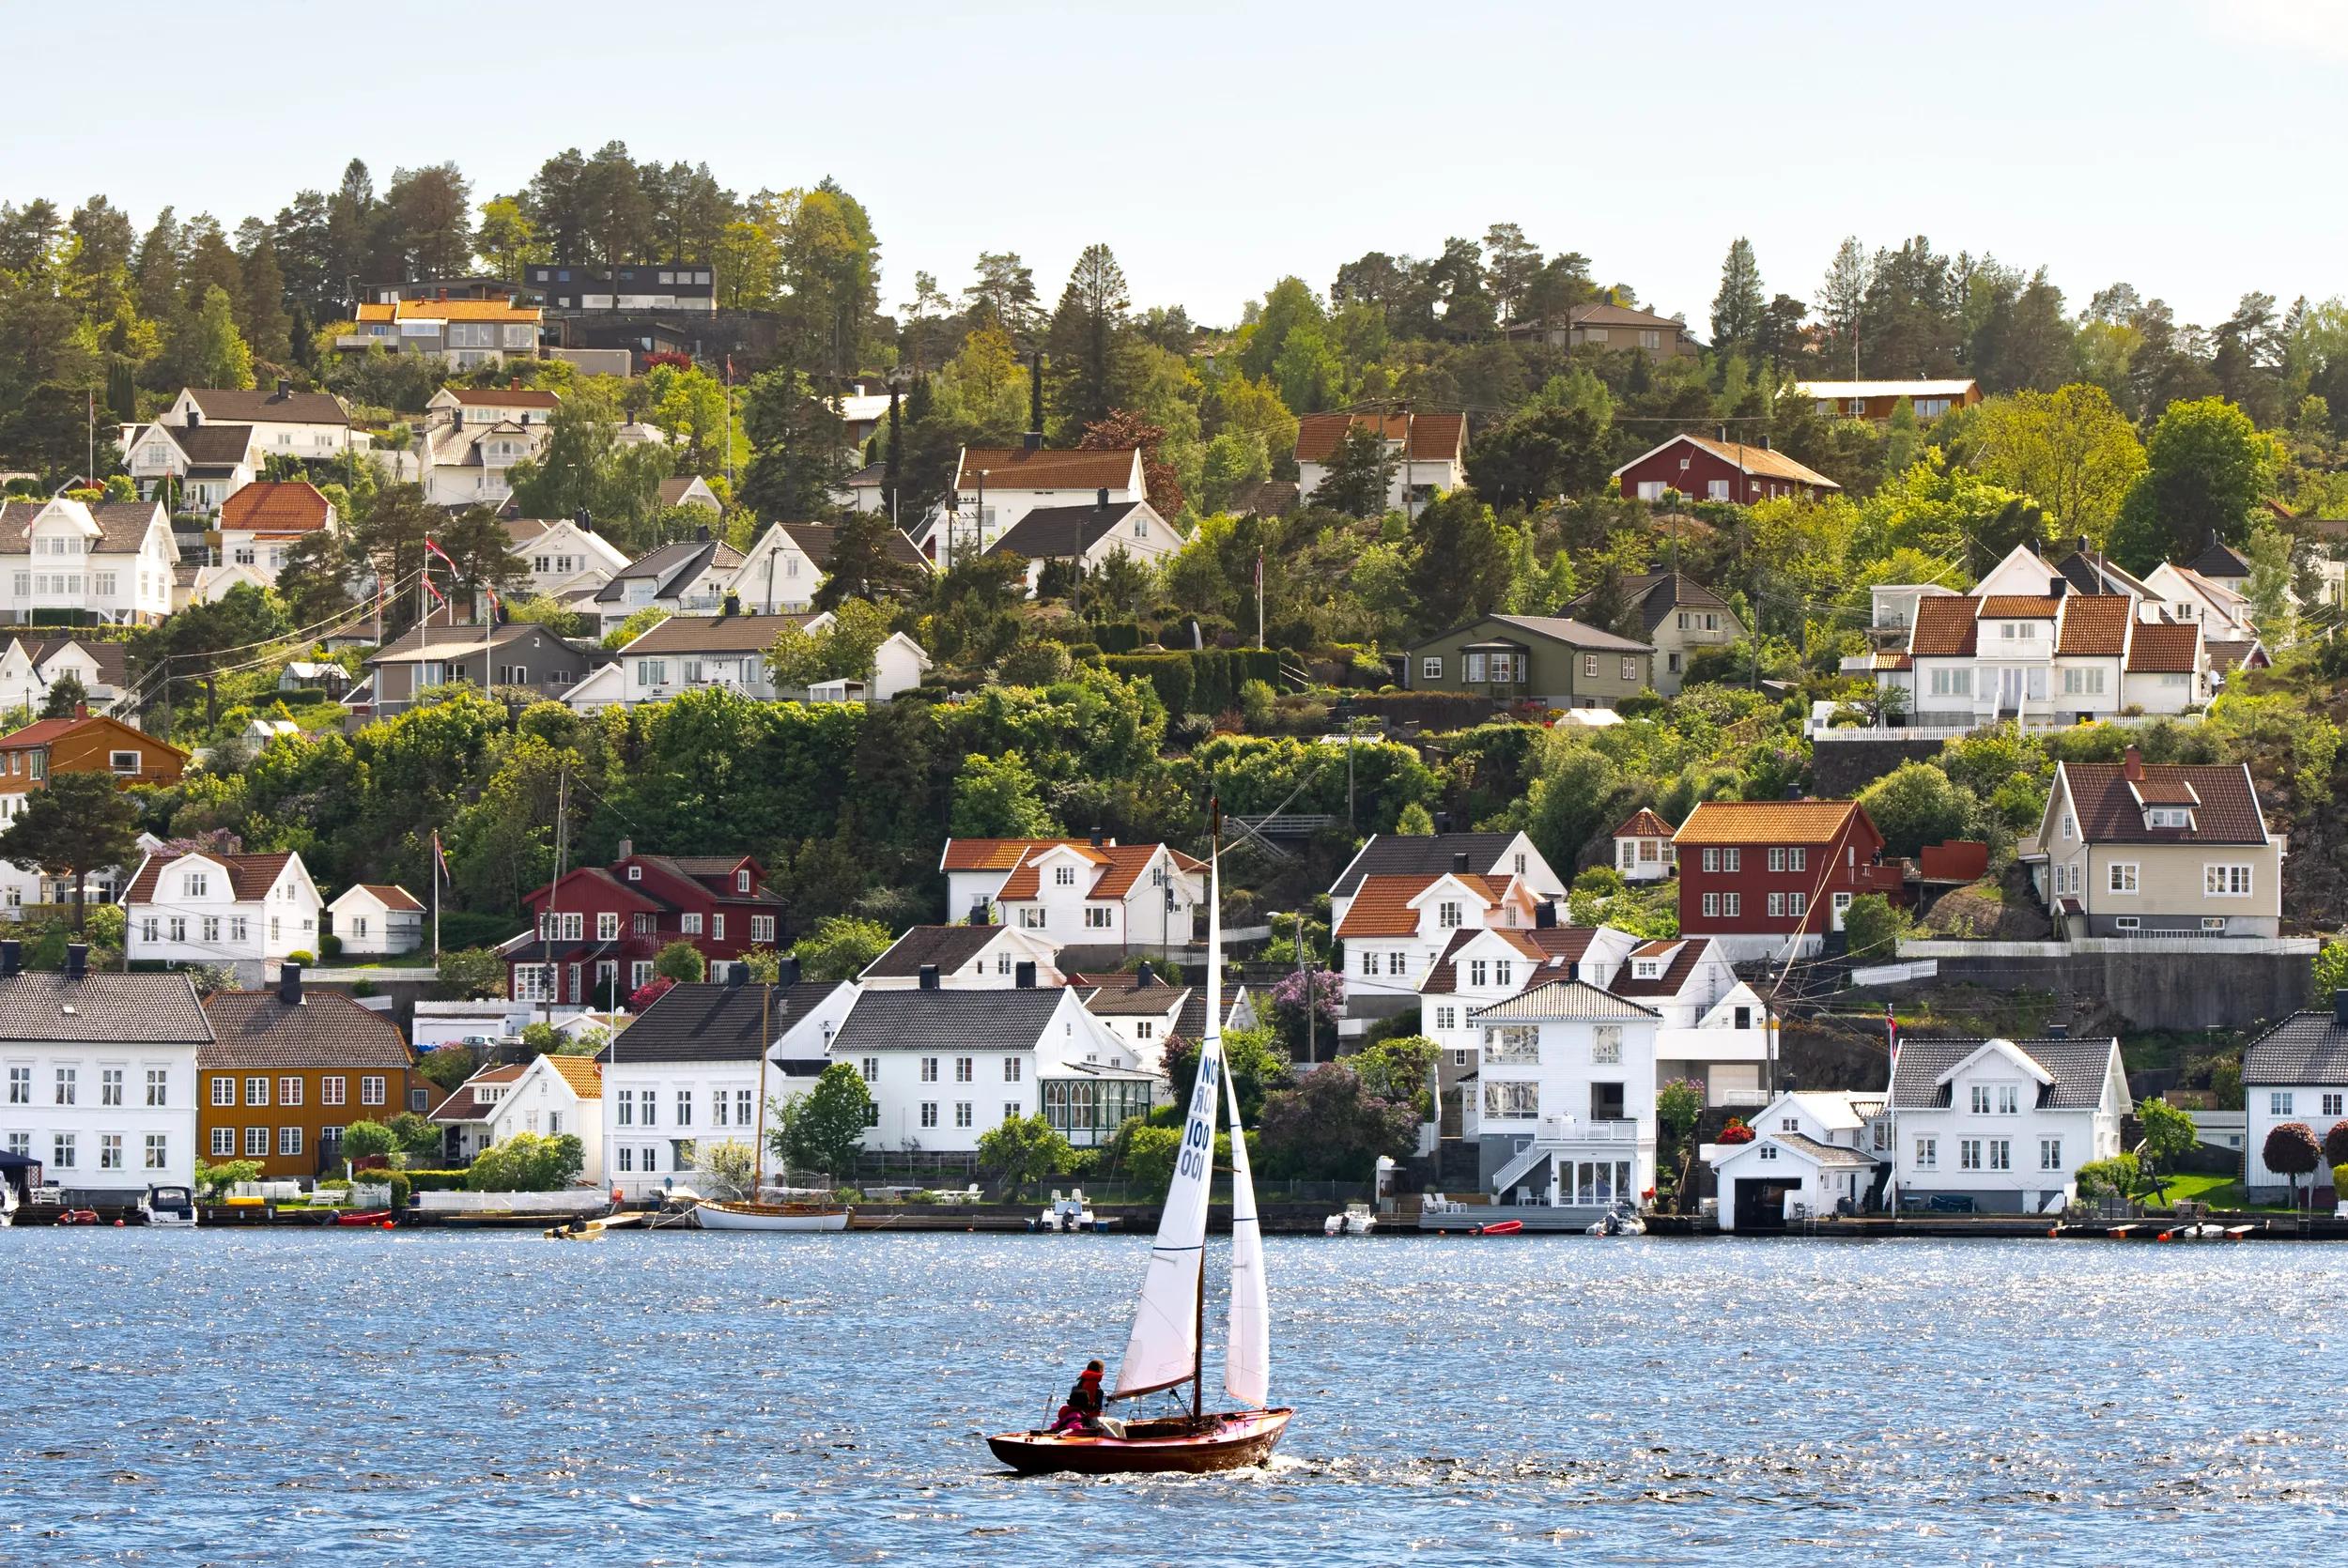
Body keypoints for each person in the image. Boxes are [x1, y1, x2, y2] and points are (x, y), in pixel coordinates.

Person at [1047, 1360, 1106, 1434]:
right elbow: (1090, 1403)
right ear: (1100, 1370)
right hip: (1087, 1416)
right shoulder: (1092, 1381)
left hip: (1076, 1411)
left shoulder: (1081, 1379)